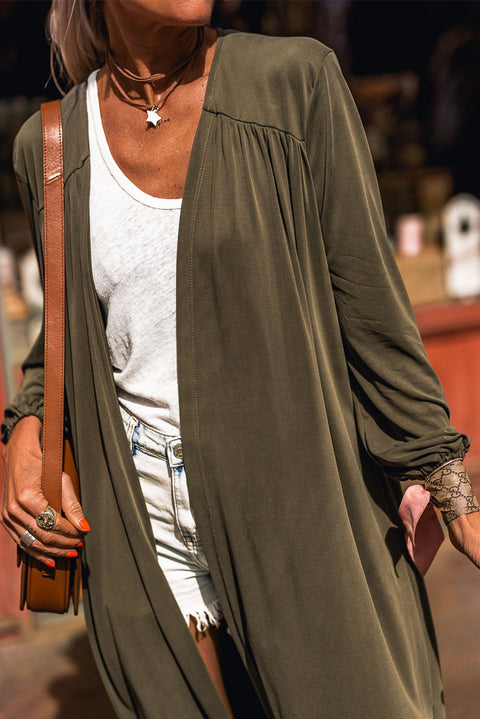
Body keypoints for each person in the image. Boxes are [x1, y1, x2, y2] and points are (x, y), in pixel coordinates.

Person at [1, 1, 480, 717]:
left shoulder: (294, 83)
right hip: (141, 536)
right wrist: (24, 428)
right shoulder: (50, 145)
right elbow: (69, 342)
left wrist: (449, 483)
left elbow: (374, 313)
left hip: (301, 519)